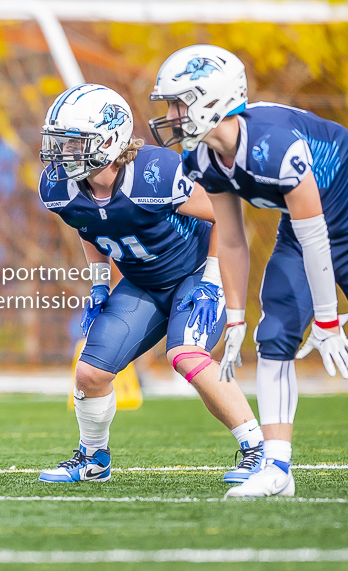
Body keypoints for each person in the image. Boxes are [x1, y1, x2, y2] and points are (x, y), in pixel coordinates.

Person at [38, 84, 263, 484]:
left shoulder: (155, 173)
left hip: (195, 274)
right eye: (59, 143)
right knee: (90, 373)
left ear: (108, 139)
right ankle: (93, 458)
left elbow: (223, 216)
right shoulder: (60, 188)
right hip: (143, 282)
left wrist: (212, 280)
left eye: (73, 143)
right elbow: (87, 228)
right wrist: (99, 285)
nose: (62, 154)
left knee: (186, 354)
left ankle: (257, 449)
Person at [150, 44, 348, 497]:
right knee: (274, 329)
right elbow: (233, 237)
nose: (173, 115)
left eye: (180, 102)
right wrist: (235, 315)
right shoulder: (201, 157)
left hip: (336, 210)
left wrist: (326, 317)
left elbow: (319, 233)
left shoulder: (273, 145)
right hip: (305, 226)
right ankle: (277, 469)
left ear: (212, 99)